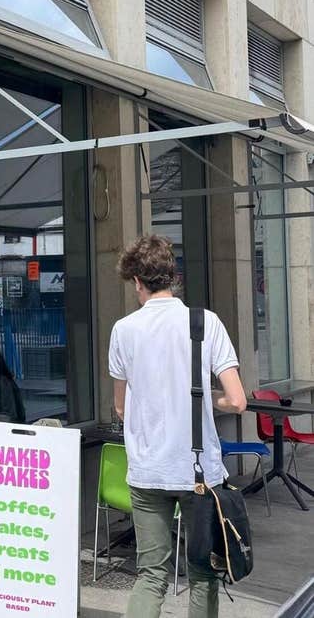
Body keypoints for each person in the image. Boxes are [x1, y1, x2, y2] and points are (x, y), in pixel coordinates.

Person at [109, 235, 248, 618]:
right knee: (203, 574)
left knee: (150, 575)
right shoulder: (206, 322)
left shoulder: (123, 330)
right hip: (199, 473)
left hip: (147, 471)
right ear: (173, 277)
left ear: (137, 281)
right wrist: (205, 400)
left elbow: (120, 407)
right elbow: (237, 401)